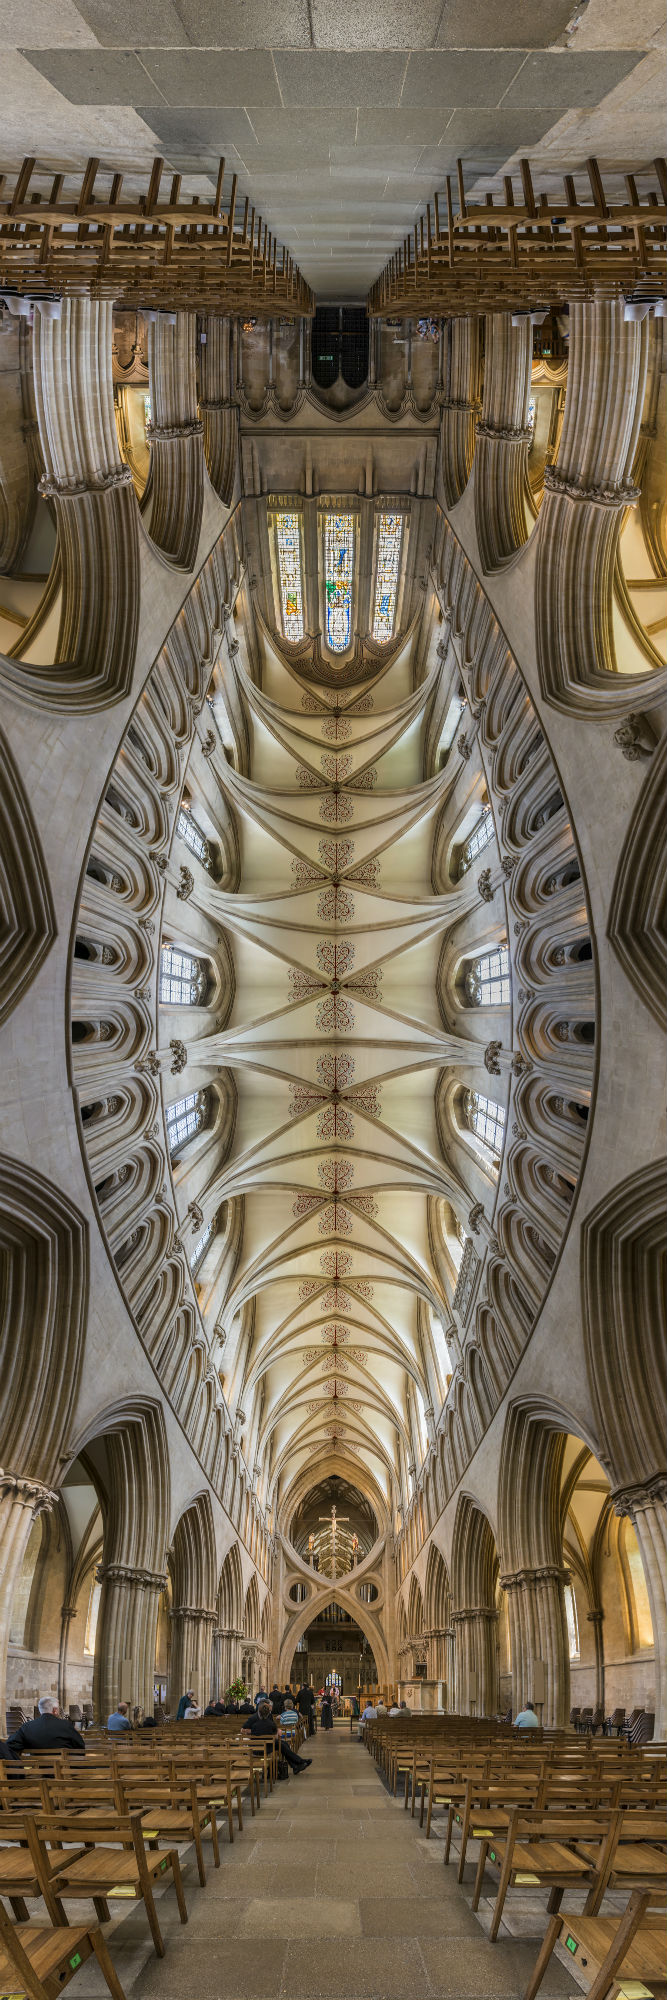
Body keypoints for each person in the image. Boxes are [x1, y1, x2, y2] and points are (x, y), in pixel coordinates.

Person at [242, 1699, 311, 1773]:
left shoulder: (268, 1716)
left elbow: (272, 1727)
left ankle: (295, 1765)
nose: (269, 1709)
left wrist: (275, 1730)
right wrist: (255, 1732)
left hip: (266, 1743)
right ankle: (299, 1762)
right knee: (282, 1745)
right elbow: (242, 1730)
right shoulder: (253, 1718)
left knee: (284, 1744)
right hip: (262, 1745)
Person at [7, 1697, 85, 1756]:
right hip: (64, 1771)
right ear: (54, 1710)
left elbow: (11, 1744)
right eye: (58, 1709)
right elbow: (80, 1746)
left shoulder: (27, 1727)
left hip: (38, 1771)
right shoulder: (66, 1725)